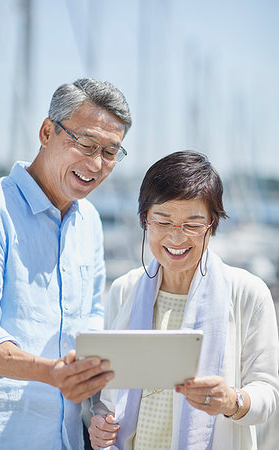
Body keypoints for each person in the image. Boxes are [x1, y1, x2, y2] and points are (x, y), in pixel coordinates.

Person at [88, 151, 279, 450]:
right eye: (163, 222)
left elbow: (268, 394)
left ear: (212, 225)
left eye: (192, 225)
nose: (177, 239)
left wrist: (232, 401)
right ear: (145, 220)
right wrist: (99, 422)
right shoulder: (124, 289)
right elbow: (107, 393)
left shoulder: (248, 292)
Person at [0, 77, 132, 449]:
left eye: (111, 152)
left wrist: (99, 407)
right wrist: (51, 374)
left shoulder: (91, 222)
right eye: (86, 144)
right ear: (47, 132)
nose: (96, 164)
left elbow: (93, 325)